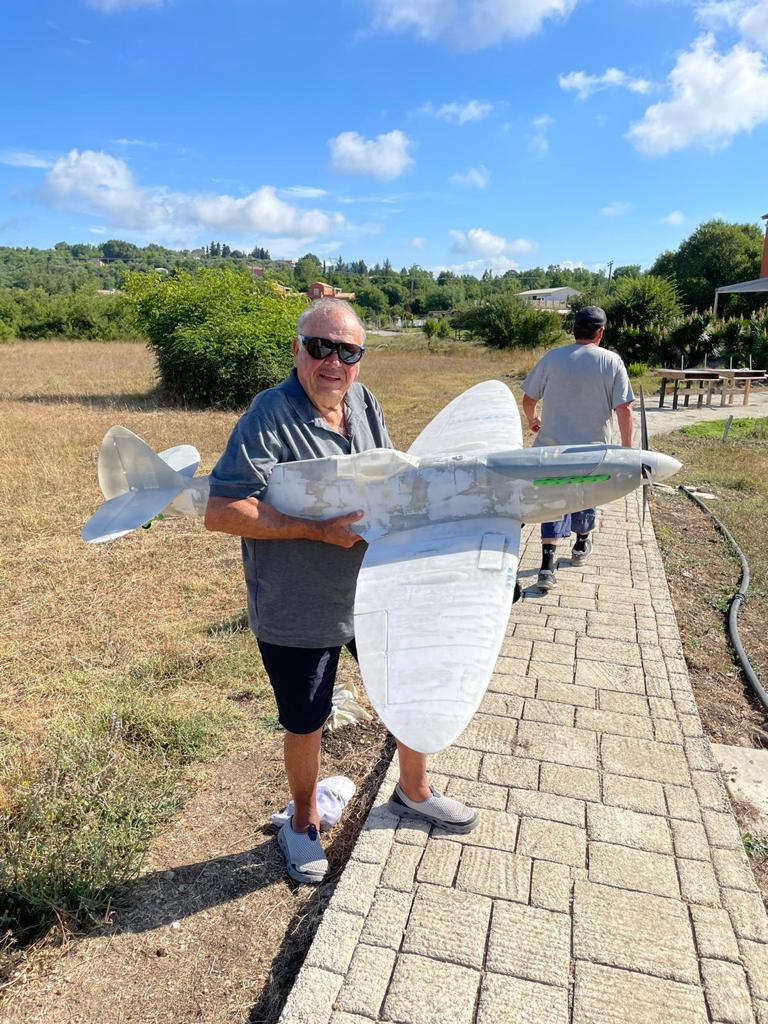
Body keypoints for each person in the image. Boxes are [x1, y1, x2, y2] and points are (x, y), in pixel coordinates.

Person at [204, 298, 477, 885]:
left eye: (348, 351)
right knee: (307, 718)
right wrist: (313, 530)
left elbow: (386, 475)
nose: (334, 361)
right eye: (320, 347)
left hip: (374, 587)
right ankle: (301, 824)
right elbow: (223, 509)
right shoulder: (269, 414)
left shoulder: (363, 401)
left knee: (405, 683)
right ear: (299, 349)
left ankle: (413, 790)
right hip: (298, 603)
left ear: (359, 358)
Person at [521, 305, 634, 591]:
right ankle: (581, 545)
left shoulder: (553, 358)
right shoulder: (612, 361)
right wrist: (628, 450)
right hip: (591, 450)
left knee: (553, 500)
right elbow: (624, 410)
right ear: (600, 332)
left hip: (551, 449)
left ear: (574, 330)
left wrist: (533, 422)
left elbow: (528, 399)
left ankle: (547, 566)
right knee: (584, 495)